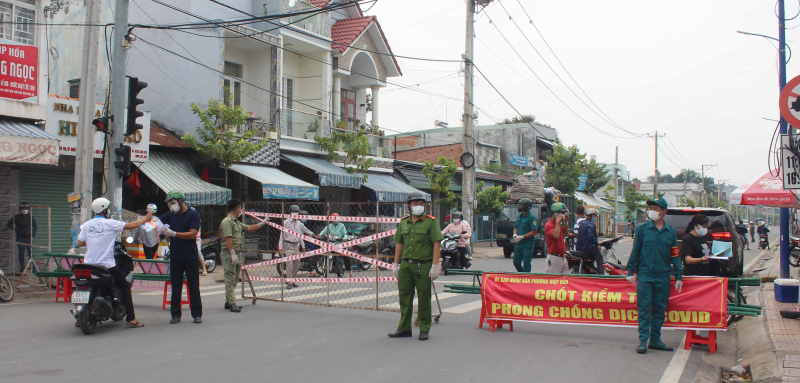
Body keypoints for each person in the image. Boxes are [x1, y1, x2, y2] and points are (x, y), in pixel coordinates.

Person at [77, 197, 152, 328]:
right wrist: (145, 219)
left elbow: (80, 243)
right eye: (107, 208)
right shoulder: (110, 223)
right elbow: (131, 226)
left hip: (89, 264)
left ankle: (81, 316)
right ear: (104, 210)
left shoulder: (87, 224)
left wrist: (94, 239)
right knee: (125, 287)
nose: (108, 210)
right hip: (106, 265)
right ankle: (131, 318)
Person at [625, 197, 683, 354]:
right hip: (645, 275)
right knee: (644, 308)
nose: (651, 211)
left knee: (659, 309)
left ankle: (655, 340)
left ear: (664, 212)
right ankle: (643, 341)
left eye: (655, 209)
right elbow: (636, 250)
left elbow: (674, 255)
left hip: (663, 276)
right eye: (650, 208)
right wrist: (630, 270)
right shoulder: (642, 229)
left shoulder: (670, 232)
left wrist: (679, 275)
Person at [388, 192, 443, 341]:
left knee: (424, 297)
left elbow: (436, 244)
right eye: (415, 204)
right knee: (404, 297)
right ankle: (404, 328)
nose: (418, 206)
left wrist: (435, 266)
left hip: (423, 265)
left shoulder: (430, 222)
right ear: (409, 206)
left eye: (421, 204)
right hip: (406, 265)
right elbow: (399, 244)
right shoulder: (403, 222)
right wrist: (395, 264)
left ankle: (424, 328)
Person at [159, 191, 204, 324]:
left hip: (190, 256)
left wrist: (174, 234)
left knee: (193, 286)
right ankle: (175, 315)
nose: (171, 205)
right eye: (169, 203)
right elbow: (157, 223)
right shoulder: (170, 215)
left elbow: (192, 234)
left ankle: (197, 314)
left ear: (180, 201)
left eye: (173, 202)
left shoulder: (193, 215)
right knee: (176, 286)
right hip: (175, 256)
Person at [219, 199, 268, 312]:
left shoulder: (236, 222)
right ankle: (232, 303)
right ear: (237, 209)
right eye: (240, 208)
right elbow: (228, 238)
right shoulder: (227, 222)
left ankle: (228, 301)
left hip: (237, 253)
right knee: (230, 278)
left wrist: (262, 223)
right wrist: (232, 254)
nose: (242, 210)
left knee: (235, 278)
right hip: (229, 254)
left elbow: (248, 228)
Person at [281, 205, 314, 289]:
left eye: (297, 212)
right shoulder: (286, 222)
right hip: (288, 245)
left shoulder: (299, 223)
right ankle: (289, 282)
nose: (296, 213)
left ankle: (293, 280)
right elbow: (281, 236)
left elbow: (300, 235)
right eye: (294, 212)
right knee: (289, 264)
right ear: (290, 213)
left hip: (296, 245)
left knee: (297, 263)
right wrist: (280, 247)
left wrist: (303, 246)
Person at [6, 202, 37, 274]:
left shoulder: (30, 217)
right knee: (21, 253)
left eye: (26, 208)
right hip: (20, 238)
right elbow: (9, 223)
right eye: (23, 208)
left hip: (29, 238)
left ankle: (33, 268)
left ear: (28, 209)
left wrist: (33, 235)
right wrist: (15, 229)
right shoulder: (17, 217)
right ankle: (22, 268)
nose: (24, 209)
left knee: (31, 253)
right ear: (20, 209)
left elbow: (35, 225)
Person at [510, 198, 538, 272]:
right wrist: (515, 234)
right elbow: (515, 227)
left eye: (522, 205)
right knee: (516, 262)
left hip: (528, 244)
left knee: (526, 263)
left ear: (527, 206)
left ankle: (526, 276)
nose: (520, 207)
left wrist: (522, 237)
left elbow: (534, 231)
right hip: (519, 243)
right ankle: (522, 274)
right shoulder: (520, 216)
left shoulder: (532, 218)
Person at [576, 208, 604, 275]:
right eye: (594, 216)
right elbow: (591, 236)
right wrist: (597, 245)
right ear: (590, 215)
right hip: (589, 248)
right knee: (600, 260)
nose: (595, 218)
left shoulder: (581, 223)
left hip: (580, 248)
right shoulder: (590, 224)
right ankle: (601, 277)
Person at [544, 203, 569, 274]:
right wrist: (558, 222)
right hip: (555, 256)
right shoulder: (549, 225)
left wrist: (566, 222)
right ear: (555, 213)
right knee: (554, 278)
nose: (563, 214)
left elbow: (565, 234)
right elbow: (556, 235)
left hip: (562, 256)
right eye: (562, 212)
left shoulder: (557, 225)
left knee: (566, 278)